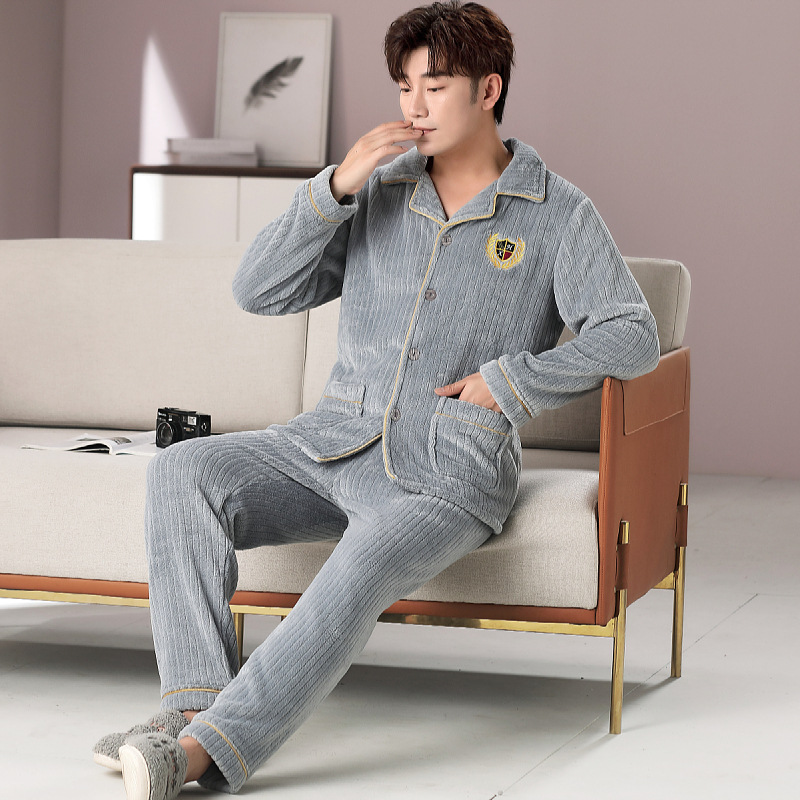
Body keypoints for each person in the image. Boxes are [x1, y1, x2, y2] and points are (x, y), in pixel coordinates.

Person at [93, 2, 660, 797]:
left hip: (447, 473)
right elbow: (257, 289)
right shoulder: (378, 191)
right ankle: (190, 710)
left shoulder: (557, 212)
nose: (414, 106)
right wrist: (333, 186)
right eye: (403, 87)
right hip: (330, 441)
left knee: (358, 565)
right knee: (182, 472)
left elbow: (633, 334)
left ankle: (199, 755)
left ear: (488, 89)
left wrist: (510, 383)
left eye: (436, 85)